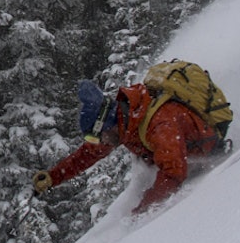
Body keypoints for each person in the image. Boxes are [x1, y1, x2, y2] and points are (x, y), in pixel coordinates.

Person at [33, 78, 225, 214]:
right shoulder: (124, 124)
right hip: (184, 164)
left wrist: (143, 209)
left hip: (209, 164)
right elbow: (87, 155)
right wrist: (54, 177)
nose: (100, 144)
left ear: (107, 125)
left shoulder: (159, 124)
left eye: (97, 138)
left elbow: (173, 173)